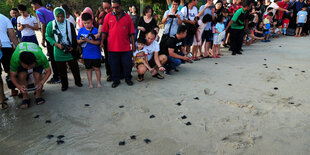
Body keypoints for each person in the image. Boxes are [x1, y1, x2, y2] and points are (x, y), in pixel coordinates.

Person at [45, 7, 82, 91]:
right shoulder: (51, 25)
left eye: (62, 16)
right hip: (58, 50)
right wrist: (56, 44)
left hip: (70, 50)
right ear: (55, 16)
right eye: (58, 17)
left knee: (74, 67)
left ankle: (78, 82)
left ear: (65, 16)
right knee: (62, 70)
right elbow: (48, 36)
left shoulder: (69, 24)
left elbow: (73, 36)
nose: (60, 18)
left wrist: (73, 46)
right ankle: (64, 85)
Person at [102, 0, 136, 88]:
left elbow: (132, 32)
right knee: (114, 65)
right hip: (112, 48)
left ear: (121, 6)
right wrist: (102, 42)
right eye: (112, 7)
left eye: (116, 7)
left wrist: (134, 44)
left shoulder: (128, 17)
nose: (114, 9)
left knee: (127, 64)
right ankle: (116, 80)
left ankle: (128, 79)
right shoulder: (108, 17)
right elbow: (104, 31)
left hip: (125, 47)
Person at [9, 42, 51, 109]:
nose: (29, 69)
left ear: (34, 62)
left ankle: (38, 96)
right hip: (21, 55)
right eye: (26, 67)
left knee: (37, 76)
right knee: (22, 76)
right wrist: (19, 87)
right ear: (21, 62)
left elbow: (48, 71)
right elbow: (12, 76)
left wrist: (41, 82)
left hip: (35, 52)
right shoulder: (15, 59)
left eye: (30, 66)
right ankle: (25, 97)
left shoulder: (40, 57)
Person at [31, 0, 60, 84]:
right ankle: (60, 74)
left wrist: (43, 39)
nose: (33, 8)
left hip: (49, 35)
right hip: (56, 34)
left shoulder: (39, 11)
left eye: (33, 6)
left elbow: (43, 24)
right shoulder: (48, 10)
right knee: (56, 55)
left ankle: (56, 76)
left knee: (52, 56)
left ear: (36, 4)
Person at [77, 13, 102, 89]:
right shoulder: (81, 30)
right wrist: (82, 40)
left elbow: (98, 42)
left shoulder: (96, 31)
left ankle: (98, 82)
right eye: (85, 23)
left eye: (88, 23)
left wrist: (88, 40)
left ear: (92, 21)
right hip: (86, 54)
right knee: (88, 69)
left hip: (96, 54)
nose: (87, 25)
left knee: (97, 68)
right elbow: (77, 41)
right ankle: (90, 83)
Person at [0, 13, 19, 109]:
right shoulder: (4, 18)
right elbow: (12, 35)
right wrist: (19, 47)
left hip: (4, 45)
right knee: (10, 70)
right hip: (5, 46)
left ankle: (1, 99)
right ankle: (13, 90)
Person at [99, 0, 113, 82]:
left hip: (116, 39)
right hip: (106, 40)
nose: (107, 10)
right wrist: (100, 40)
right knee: (108, 57)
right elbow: (100, 27)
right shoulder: (102, 15)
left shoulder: (117, 13)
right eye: (105, 8)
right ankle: (109, 74)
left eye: (109, 8)